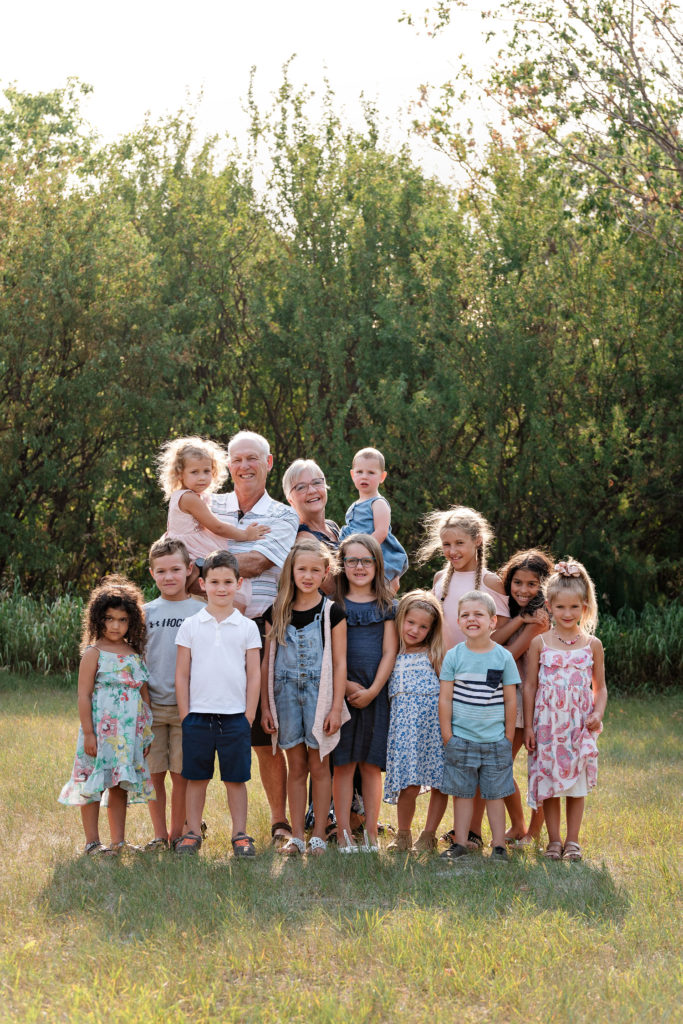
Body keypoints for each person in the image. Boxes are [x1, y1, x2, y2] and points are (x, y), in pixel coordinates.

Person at [210, 431, 299, 844]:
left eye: (252, 459)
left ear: (269, 462)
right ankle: (189, 826)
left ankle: (279, 822)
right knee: (197, 730)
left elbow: (258, 561)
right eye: (237, 459)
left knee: (264, 737)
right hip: (208, 631)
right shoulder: (209, 504)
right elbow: (177, 550)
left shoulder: (283, 515)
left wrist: (203, 573)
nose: (244, 466)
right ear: (228, 466)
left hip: (259, 632)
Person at [417, 505, 511, 849]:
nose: (452, 551)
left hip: (480, 681)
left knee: (483, 755)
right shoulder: (440, 580)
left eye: (459, 543)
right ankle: (446, 828)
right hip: (444, 677)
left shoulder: (491, 581)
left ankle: (472, 830)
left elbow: (497, 633)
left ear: (478, 541)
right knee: (454, 755)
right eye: (446, 545)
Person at [260, 538, 348, 856]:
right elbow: (268, 663)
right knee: (296, 766)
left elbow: (340, 663)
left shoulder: (331, 612)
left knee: (320, 766)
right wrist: (267, 706)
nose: (308, 576)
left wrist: (336, 707)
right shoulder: (277, 611)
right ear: (292, 571)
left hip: (318, 696)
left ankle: (319, 836)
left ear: (326, 571)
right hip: (284, 697)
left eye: (315, 570)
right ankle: (297, 836)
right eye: (302, 569)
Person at [174, 550, 261, 856]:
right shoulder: (191, 625)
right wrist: (186, 715)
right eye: (214, 582)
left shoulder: (247, 627)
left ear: (239, 583)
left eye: (227, 581)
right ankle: (192, 832)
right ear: (202, 583)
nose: (221, 588)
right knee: (196, 778)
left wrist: (249, 715)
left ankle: (240, 834)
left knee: (235, 779)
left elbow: (253, 675)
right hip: (198, 717)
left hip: (235, 717)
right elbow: (182, 674)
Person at [59, 575, 154, 855]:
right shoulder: (94, 653)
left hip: (127, 734)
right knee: (93, 783)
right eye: (110, 619)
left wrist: (146, 733)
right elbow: (83, 695)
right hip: (99, 732)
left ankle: (118, 842)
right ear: (98, 620)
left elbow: (144, 694)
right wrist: (89, 732)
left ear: (131, 622)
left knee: (119, 784)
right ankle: (92, 842)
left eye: (122, 620)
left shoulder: (134, 654)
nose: (115, 625)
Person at [524, 559, 607, 862]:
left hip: (578, 725)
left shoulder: (592, 645)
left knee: (576, 785)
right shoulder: (540, 643)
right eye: (560, 608)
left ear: (584, 607)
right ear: (549, 606)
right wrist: (530, 726)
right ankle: (554, 841)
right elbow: (530, 686)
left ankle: (573, 841)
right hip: (547, 724)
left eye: (574, 608)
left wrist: (597, 713)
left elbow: (600, 687)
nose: (567, 614)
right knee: (550, 783)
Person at [438, 591, 519, 862]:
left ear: (493, 621)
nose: (471, 619)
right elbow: (446, 698)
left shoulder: (503, 657)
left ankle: (499, 846)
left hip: (496, 740)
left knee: (495, 795)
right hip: (461, 739)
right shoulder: (454, 656)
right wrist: (448, 735)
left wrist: (508, 737)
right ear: (458, 622)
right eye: (465, 615)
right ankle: (460, 842)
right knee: (461, 795)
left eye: (478, 614)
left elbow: (510, 700)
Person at [332, 534, 398, 852]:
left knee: (370, 766)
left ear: (376, 564)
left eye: (366, 560)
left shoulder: (388, 606)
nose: (359, 566)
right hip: (339, 693)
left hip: (376, 695)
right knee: (343, 764)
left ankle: (371, 833)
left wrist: (373, 690)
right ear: (342, 566)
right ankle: (344, 832)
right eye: (352, 561)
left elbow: (389, 652)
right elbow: (329, 653)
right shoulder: (334, 606)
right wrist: (344, 686)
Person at [156, 435, 270, 605]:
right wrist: (245, 535)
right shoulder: (189, 498)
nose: (202, 477)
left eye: (206, 471)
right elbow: (217, 527)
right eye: (195, 472)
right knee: (233, 591)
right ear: (180, 474)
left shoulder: (194, 496)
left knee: (219, 590)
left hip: (189, 547)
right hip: (191, 549)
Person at [143, 538, 201, 851]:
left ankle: (178, 833)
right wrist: (143, 705)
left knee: (181, 775)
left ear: (189, 569)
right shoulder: (144, 612)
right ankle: (158, 834)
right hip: (151, 707)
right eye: (161, 571)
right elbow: (137, 660)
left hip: (187, 710)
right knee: (155, 775)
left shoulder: (201, 611)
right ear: (152, 573)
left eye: (176, 569)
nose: (169, 577)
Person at [495, 548, 553, 845]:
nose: (524, 590)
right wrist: (520, 621)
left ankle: (531, 830)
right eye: (518, 582)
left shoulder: (543, 620)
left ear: (543, 586)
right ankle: (520, 826)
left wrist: (529, 626)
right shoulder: (517, 613)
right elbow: (491, 642)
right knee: (501, 763)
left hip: (536, 698)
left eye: (532, 584)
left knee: (534, 765)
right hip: (513, 695)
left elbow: (506, 655)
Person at [383, 591, 447, 854]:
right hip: (405, 729)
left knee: (440, 781)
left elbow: (447, 690)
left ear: (431, 630)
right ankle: (403, 835)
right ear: (400, 619)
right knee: (408, 784)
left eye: (423, 626)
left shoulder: (432, 653)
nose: (415, 630)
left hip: (433, 726)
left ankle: (429, 835)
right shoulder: (391, 654)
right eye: (410, 622)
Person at [339, 448, 408, 589]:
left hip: (375, 553)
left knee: (378, 589)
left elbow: (381, 532)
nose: (364, 476)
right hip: (357, 555)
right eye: (359, 472)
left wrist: (362, 550)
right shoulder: (354, 505)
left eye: (371, 473)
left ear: (382, 477)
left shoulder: (378, 503)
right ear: (352, 475)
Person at [282, 459, 341, 549]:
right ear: (290, 500)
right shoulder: (303, 541)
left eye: (317, 482)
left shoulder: (332, 526)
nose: (312, 491)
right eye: (301, 487)